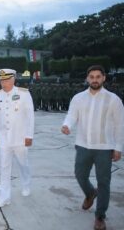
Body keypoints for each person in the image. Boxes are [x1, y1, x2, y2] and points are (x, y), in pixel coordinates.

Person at [61, 65, 124, 230]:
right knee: (80, 175)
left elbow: (120, 125)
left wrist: (118, 147)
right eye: (91, 77)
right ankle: (90, 193)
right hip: (83, 145)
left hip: (105, 148)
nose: (94, 79)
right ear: (87, 79)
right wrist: (67, 125)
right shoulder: (78, 98)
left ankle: (100, 216)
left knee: (104, 182)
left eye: (98, 76)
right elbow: (71, 115)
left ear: (104, 78)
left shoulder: (114, 100)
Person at [0, 69, 34, 208]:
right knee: (4, 167)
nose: (4, 83)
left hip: (20, 137)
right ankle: (4, 197)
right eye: (2, 80)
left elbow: (30, 116)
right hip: (4, 138)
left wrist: (29, 135)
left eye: (7, 80)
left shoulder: (23, 93)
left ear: (14, 79)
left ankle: (26, 183)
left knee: (23, 163)